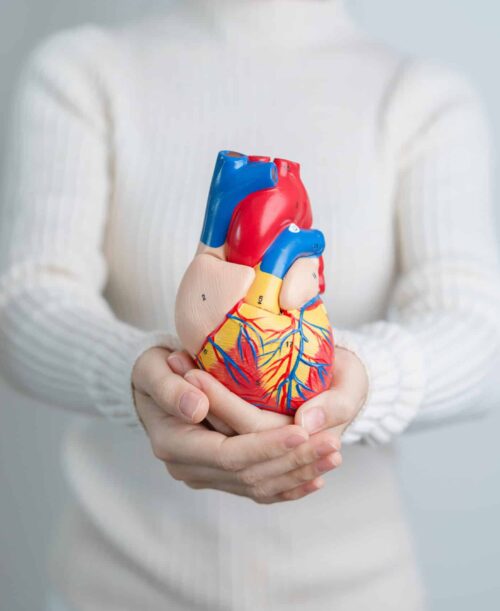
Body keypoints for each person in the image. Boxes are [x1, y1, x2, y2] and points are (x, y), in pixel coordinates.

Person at [1, 1, 499, 609]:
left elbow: (477, 332)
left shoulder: (421, 98)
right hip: (112, 588)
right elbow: (27, 303)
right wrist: (138, 377)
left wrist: (360, 384)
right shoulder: (85, 70)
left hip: (357, 594)